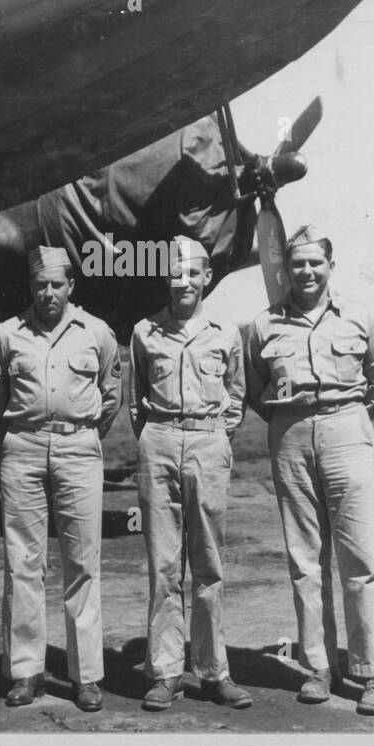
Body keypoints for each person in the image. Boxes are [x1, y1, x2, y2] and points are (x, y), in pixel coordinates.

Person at [244, 225, 374, 717]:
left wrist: (344, 419)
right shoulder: (264, 326)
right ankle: (317, 667)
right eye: (297, 264)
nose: (306, 272)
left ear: (331, 266)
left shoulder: (359, 318)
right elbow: (254, 386)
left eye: (316, 264)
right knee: (305, 560)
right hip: (289, 436)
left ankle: (371, 674)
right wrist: (289, 419)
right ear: (285, 269)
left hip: (347, 430)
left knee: (359, 560)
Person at [0, 245, 122, 712]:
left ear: (71, 286)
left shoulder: (97, 333)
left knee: (82, 564)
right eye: (40, 284)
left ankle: (85, 676)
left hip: (79, 448)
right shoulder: (7, 335)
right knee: (23, 561)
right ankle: (26, 672)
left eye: (57, 284)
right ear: (30, 286)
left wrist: (78, 433)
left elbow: (110, 396)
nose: (48, 293)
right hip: (22, 446)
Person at [129, 237, 251, 711]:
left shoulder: (225, 331)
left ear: (206, 278)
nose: (183, 281)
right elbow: (136, 399)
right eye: (175, 273)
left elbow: (236, 396)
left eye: (192, 273)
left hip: (208, 440)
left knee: (208, 563)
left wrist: (215, 435)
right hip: (158, 439)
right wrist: (160, 435)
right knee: (163, 565)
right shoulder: (145, 332)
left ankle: (215, 671)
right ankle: (164, 671)